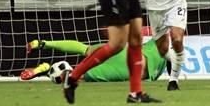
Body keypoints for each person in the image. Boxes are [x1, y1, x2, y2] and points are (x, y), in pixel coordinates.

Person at [21, 38, 169, 83]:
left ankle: (43, 44)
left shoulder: (159, 42)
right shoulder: (163, 63)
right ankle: (46, 69)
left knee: (85, 49)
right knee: (78, 76)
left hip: (126, 51)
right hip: (127, 70)